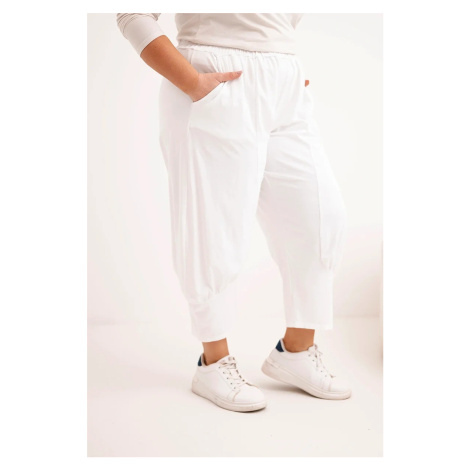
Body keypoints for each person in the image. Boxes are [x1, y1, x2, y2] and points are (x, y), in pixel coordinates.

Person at [116, 13, 351, 412]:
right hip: (213, 80)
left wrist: (279, 74)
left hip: (285, 93)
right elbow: (132, 13)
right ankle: (213, 362)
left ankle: (295, 351)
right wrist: (194, 83)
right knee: (213, 229)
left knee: (320, 217)